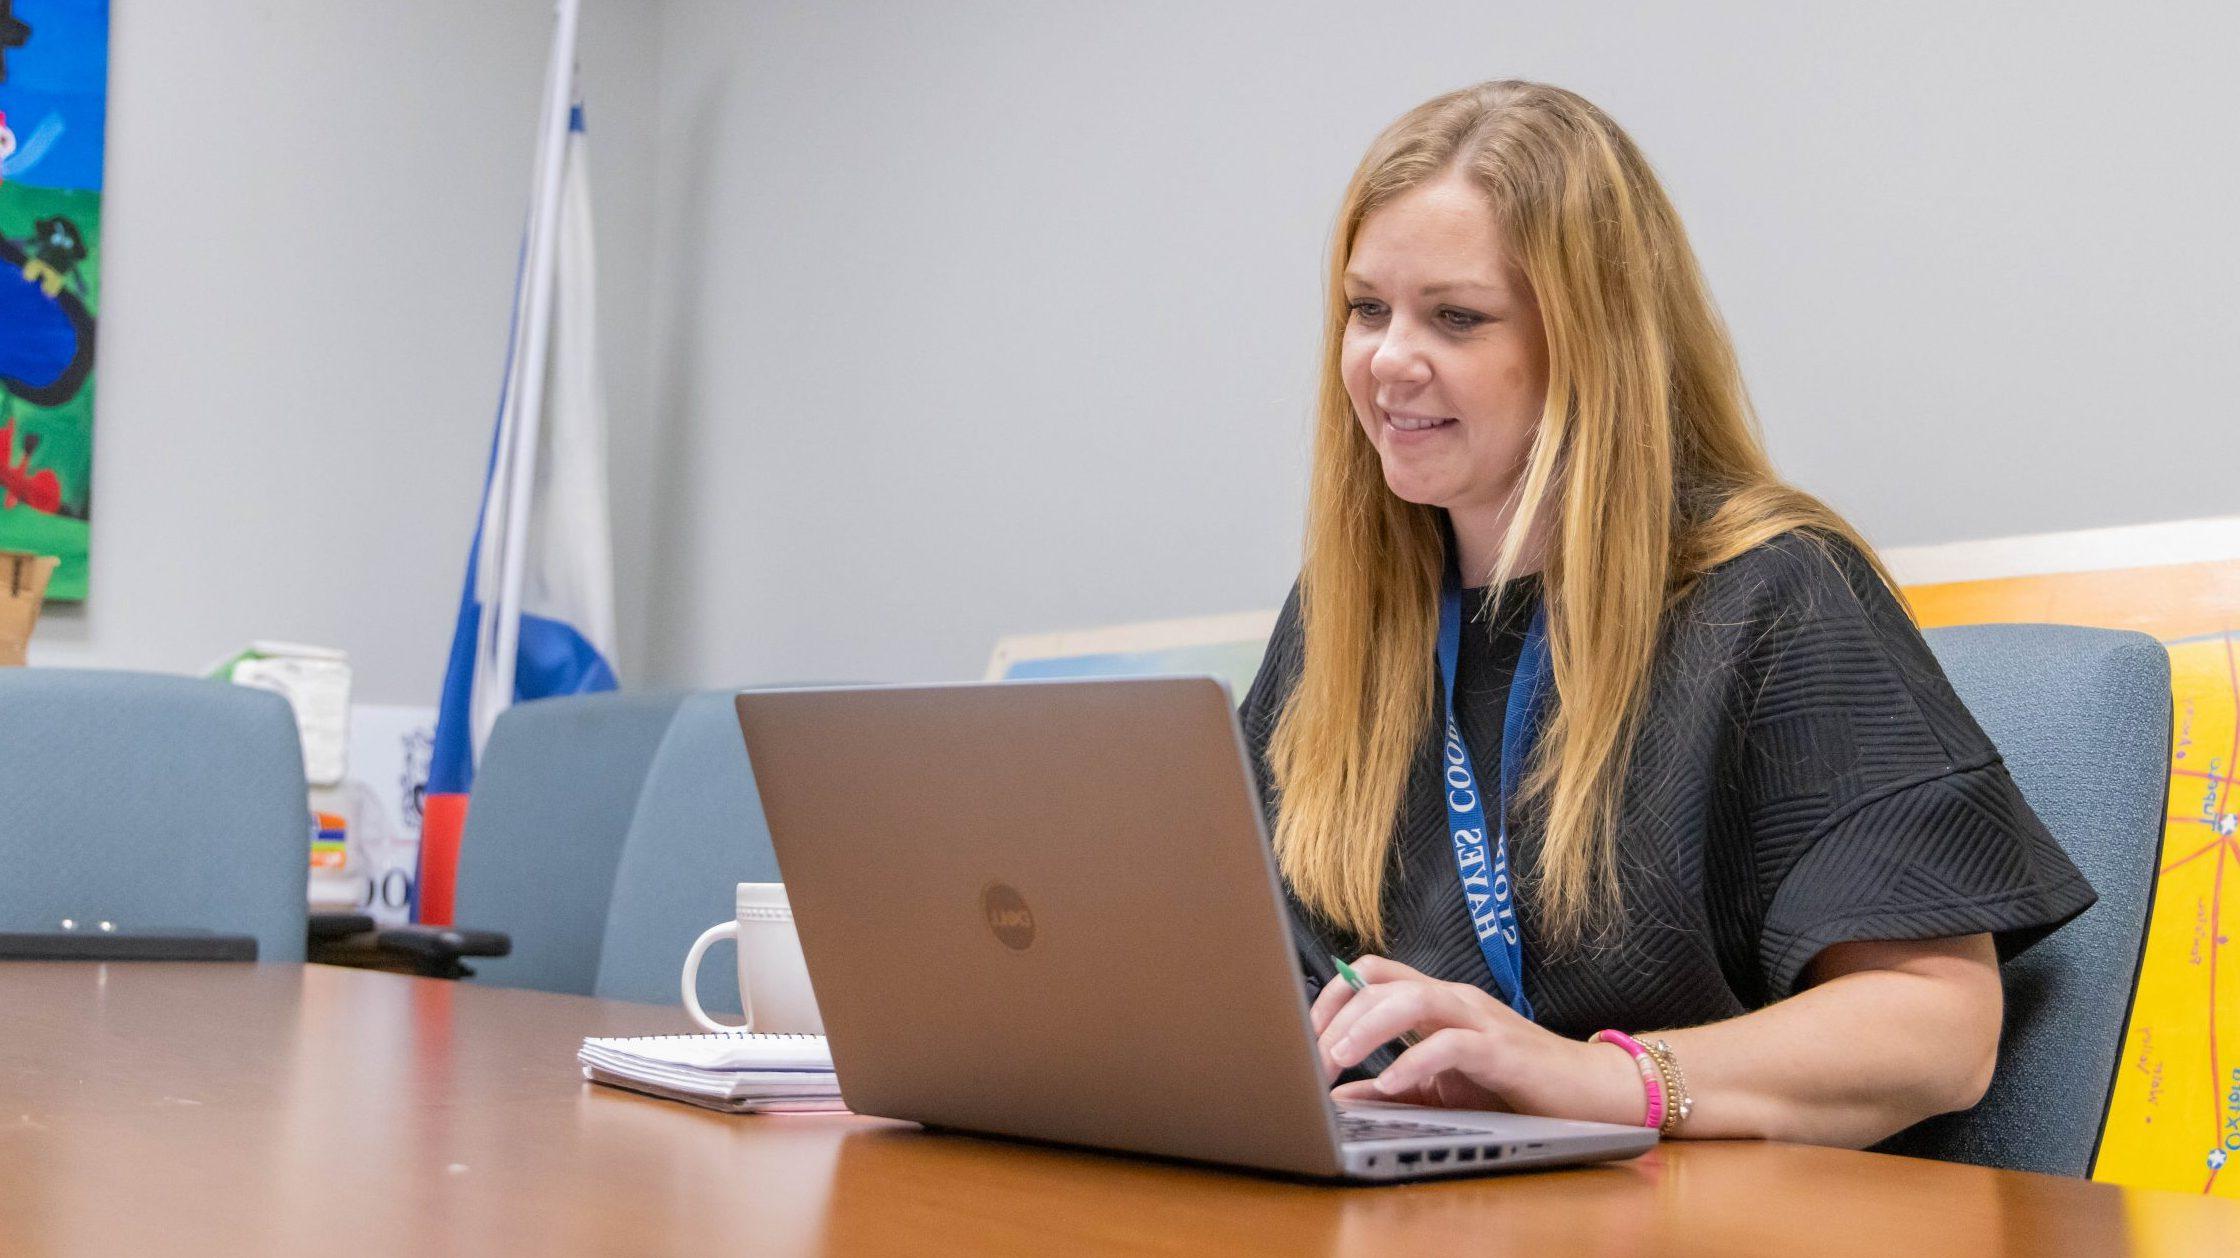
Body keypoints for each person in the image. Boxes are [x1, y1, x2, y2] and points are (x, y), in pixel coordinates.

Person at [1240, 79, 2095, 1149]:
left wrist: (1593, 1080)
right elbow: (1232, 957)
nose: (1385, 359)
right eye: (1367, 309)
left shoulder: (1772, 596)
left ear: (1589, 341)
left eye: (1454, 316)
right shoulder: (1340, 619)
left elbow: (1936, 1029)